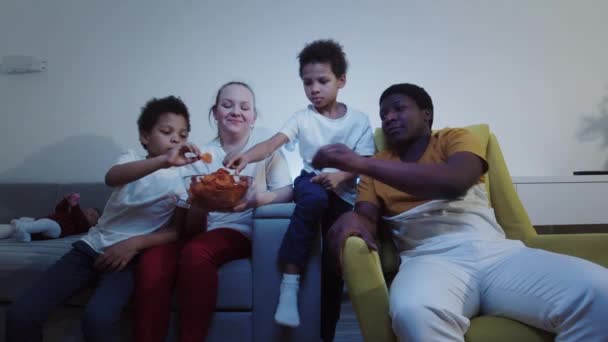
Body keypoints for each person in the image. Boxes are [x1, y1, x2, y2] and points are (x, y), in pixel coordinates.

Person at [312, 83, 608, 341]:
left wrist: (361, 163)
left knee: (599, 293)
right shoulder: (377, 168)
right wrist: (351, 217)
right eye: (383, 114)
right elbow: (366, 218)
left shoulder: (455, 138)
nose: (389, 117)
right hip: (428, 259)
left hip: (497, 255)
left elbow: (453, 183)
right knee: (415, 314)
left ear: (426, 113)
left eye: (398, 108)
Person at [6, 95, 200, 342]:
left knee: (98, 318)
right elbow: (112, 177)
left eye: (183, 135)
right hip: (88, 250)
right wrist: (163, 161)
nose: (176, 139)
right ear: (144, 137)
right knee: (21, 313)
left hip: (128, 260)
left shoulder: (185, 179)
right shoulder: (131, 160)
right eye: (167, 131)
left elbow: (175, 231)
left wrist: (134, 244)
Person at [225, 39, 375, 339]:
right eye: (307, 83)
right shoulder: (302, 118)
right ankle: (289, 285)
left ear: (341, 80)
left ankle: (326, 334)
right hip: (311, 182)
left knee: (334, 265)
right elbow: (271, 144)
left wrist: (341, 177)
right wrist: (247, 156)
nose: (314, 89)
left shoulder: (358, 120)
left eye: (322, 81)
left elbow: (366, 161)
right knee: (314, 197)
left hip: (343, 192)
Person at [135, 81, 293, 342]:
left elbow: (287, 191)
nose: (235, 111)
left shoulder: (266, 149)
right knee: (154, 261)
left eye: (245, 107)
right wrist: (199, 204)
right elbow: (190, 223)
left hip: (239, 231)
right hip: (199, 230)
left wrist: (258, 199)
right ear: (215, 112)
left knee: (197, 251)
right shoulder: (201, 156)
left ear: (253, 117)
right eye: (227, 105)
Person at [0, 192, 100, 242]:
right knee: (24, 219)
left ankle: (24, 228)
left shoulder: (82, 226)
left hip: (58, 229)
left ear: (93, 225)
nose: (87, 213)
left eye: (91, 215)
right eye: (86, 211)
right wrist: (66, 201)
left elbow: (79, 218)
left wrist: (75, 206)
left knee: (47, 223)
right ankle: (25, 235)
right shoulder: (69, 214)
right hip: (45, 222)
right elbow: (59, 210)